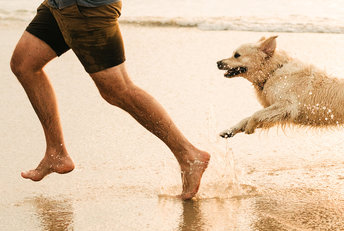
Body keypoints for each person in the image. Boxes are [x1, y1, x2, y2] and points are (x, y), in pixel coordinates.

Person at [10, 0, 210, 200]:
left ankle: (188, 154)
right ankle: (56, 153)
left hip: (85, 9)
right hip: (59, 6)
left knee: (116, 88)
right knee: (24, 64)